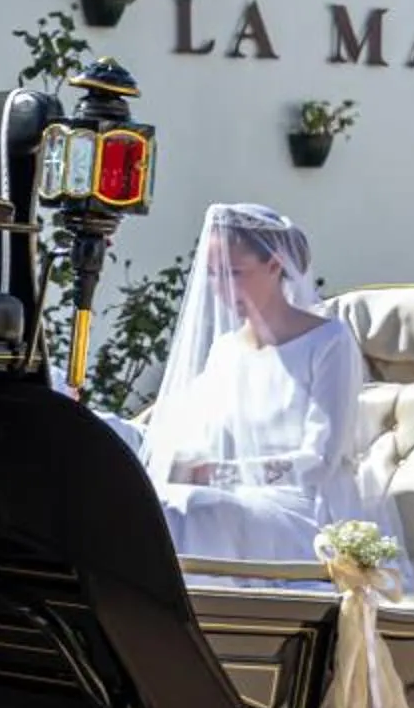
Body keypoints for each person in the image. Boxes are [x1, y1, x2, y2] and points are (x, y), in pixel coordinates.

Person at [133, 203, 398, 568]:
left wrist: (218, 472)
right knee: (160, 505)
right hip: (237, 502)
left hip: (309, 513)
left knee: (196, 510)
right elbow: (192, 432)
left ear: (275, 265)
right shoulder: (226, 349)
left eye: (234, 273)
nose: (221, 288)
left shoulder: (328, 342)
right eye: (212, 274)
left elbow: (320, 460)